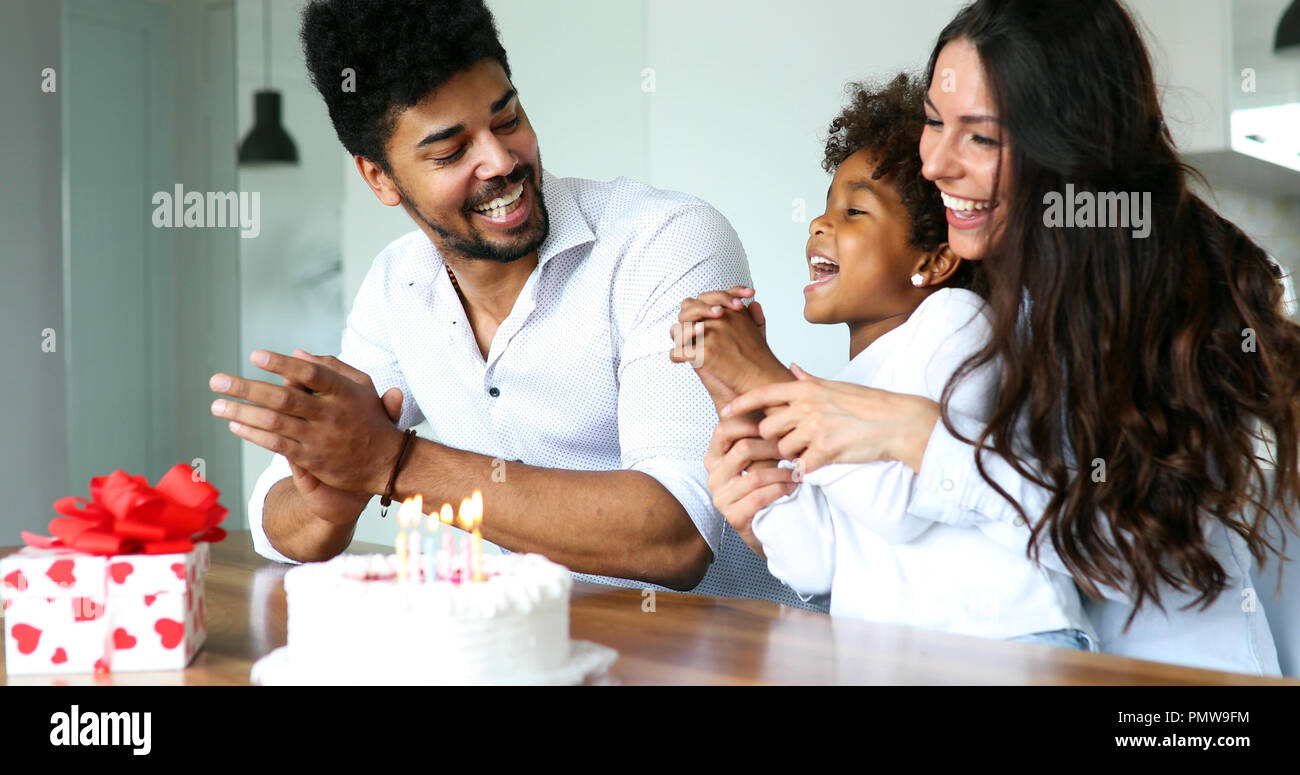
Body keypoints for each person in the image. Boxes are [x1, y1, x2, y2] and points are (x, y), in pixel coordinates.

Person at [713, 0, 1300, 673]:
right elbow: (923, 535)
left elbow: (1127, 549)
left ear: (1067, 150)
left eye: (981, 138)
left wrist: (921, 437)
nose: (934, 162)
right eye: (935, 121)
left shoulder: (1161, 302)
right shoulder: (965, 297)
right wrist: (773, 517)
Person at [208, 0, 813, 608]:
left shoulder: (666, 241)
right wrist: (328, 503)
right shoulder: (397, 286)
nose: (499, 162)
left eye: (508, 120)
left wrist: (391, 462)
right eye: (450, 152)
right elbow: (275, 518)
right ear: (380, 178)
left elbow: (678, 536)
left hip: (751, 655)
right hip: (542, 651)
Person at [673, 75, 1093, 647]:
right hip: (895, 658)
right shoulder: (843, 387)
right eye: (825, 207)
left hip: (1011, 646)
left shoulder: (958, 323)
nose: (820, 224)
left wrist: (763, 379)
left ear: (936, 259)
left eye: (854, 212)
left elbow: (897, 504)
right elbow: (816, 563)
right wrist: (741, 404)